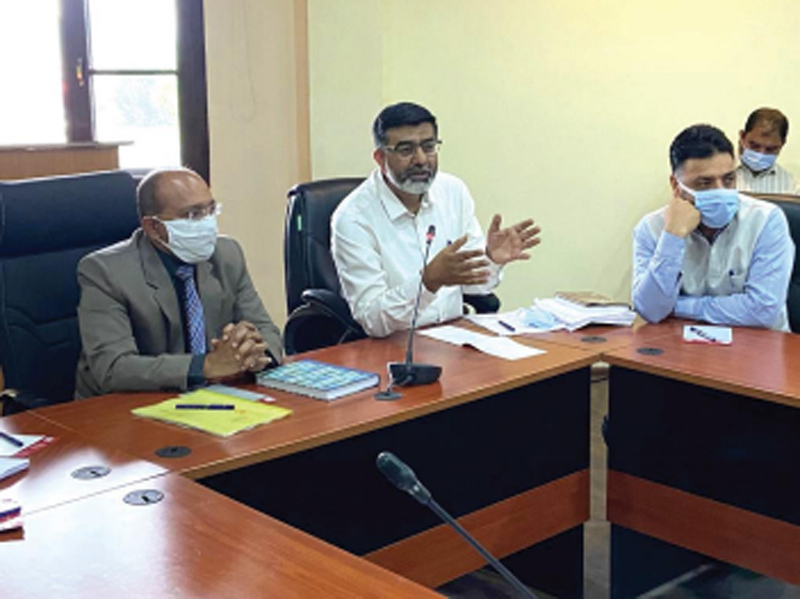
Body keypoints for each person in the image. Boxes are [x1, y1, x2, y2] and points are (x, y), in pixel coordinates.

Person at [331, 102, 541, 338]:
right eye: (406, 150)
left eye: (428, 147)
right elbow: (372, 320)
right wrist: (428, 283)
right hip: (395, 347)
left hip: (455, 336)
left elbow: (474, 287)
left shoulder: (453, 191)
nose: (421, 159)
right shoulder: (353, 218)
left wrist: (491, 259)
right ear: (380, 158)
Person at [75, 168, 282, 399]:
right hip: (128, 405)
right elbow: (113, 368)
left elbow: (267, 332)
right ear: (153, 227)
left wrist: (254, 355)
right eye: (193, 215)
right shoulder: (105, 271)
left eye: (211, 210)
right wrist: (206, 366)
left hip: (212, 399)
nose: (207, 223)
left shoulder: (227, 254)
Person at [632, 124, 794, 330]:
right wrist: (672, 237)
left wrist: (678, 306)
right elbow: (650, 310)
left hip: (758, 344)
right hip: (681, 344)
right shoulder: (651, 228)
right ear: (676, 185)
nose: (721, 191)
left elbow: (763, 311)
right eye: (704, 183)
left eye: (728, 179)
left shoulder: (766, 220)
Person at [736, 107, 799, 195]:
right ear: (742, 136)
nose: (761, 153)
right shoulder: (720, 174)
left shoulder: (792, 187)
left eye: (770, 149)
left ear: (782, 144)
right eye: (755, 146)